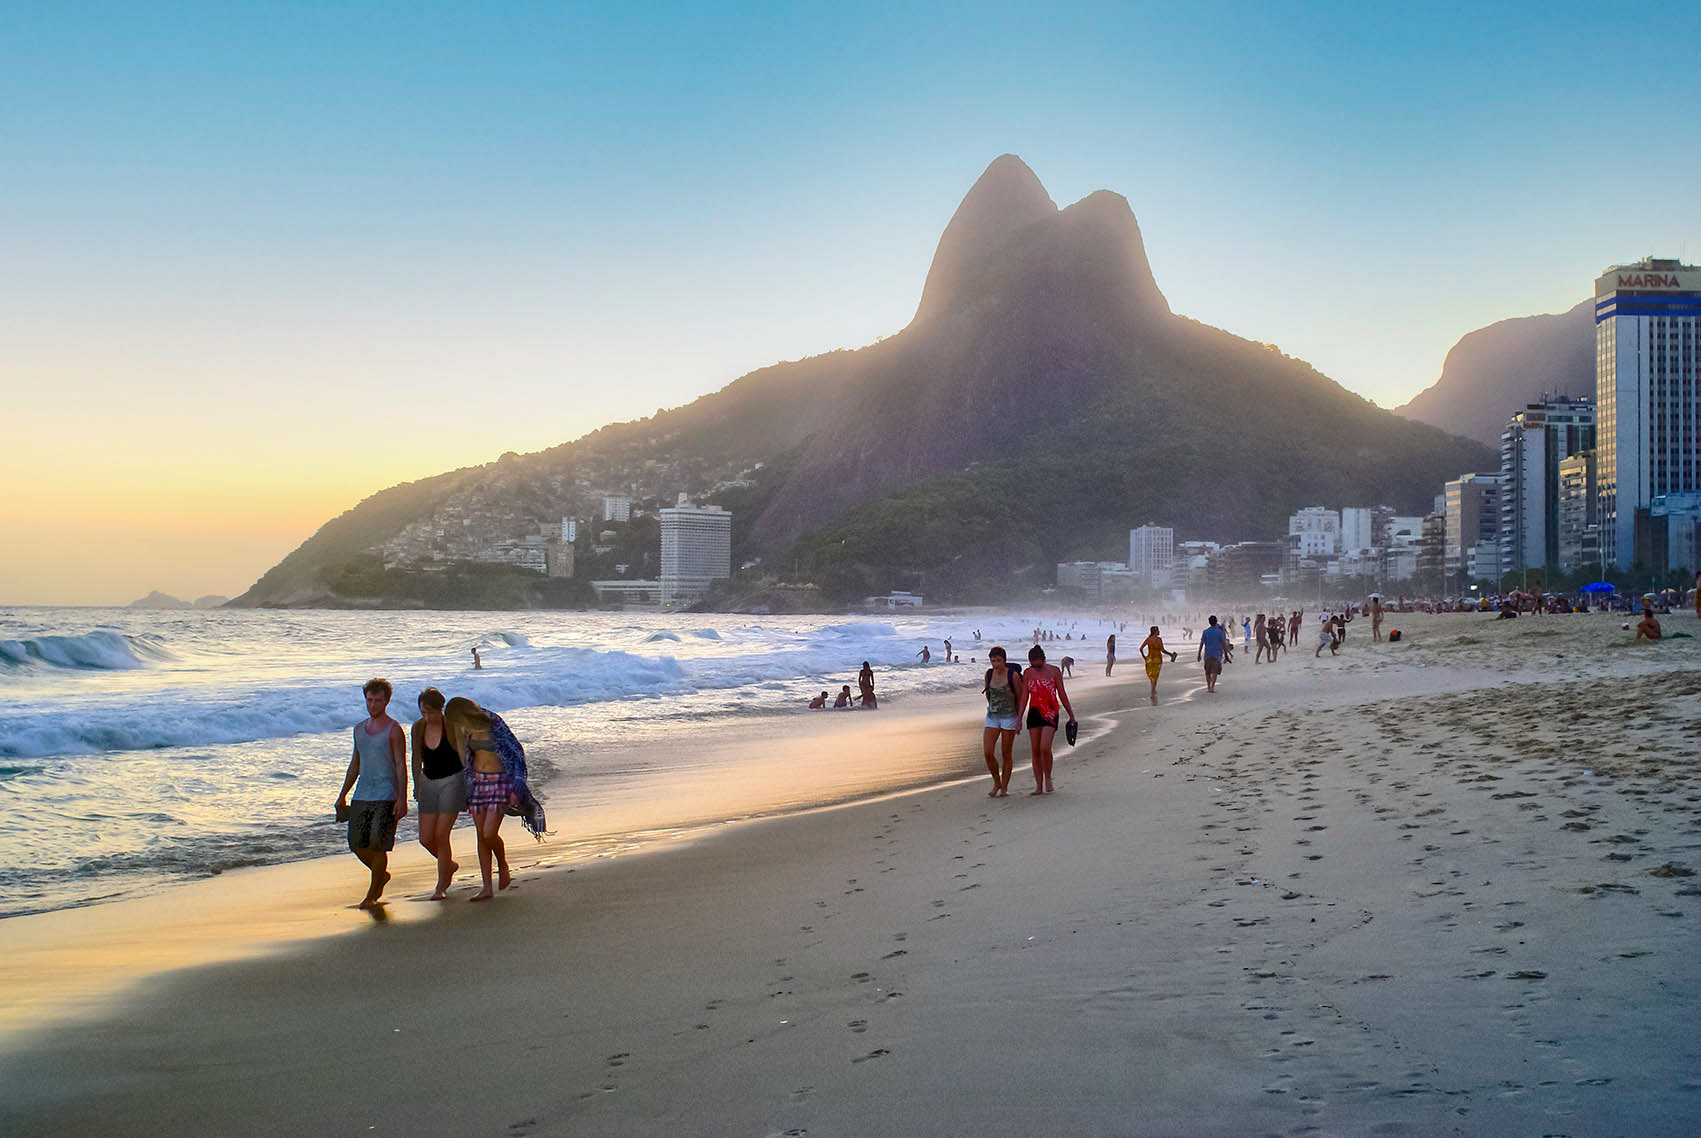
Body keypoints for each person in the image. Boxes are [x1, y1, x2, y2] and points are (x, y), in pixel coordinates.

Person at [443, 697, 546, 902]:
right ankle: (487, 887)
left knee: (490, 833)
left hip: (500, 782)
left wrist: (515, 787)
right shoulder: (462, 727)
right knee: (481, 835)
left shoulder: (493, 722)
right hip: (478, 783)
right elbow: (463, 759)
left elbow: (515, 751)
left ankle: (503, 864)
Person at [334, 678, 409, 910]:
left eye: (378, 701)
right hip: (362, 793)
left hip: (386, 795)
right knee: (356, 843)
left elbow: (400, 765)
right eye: (369, 700)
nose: (373, 705)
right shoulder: (359, 729)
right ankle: (381, 875)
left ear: (387, 701)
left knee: (378, 845)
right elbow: (354, 765)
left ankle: (372, 892)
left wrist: (402, 798)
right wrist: (342, 794)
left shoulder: (394, 730)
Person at [411, 686, 465, 900]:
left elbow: (462, 755)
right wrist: (416, 784)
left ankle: (441, 886)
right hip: (428, 782)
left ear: (440, 709)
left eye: (431, 712)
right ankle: (448, 865)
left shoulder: (451, 726)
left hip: (453, 780)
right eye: (423, 712)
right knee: (426, 839)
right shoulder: (418, 728)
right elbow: (416, 758)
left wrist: (470, 784)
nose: (427, 717)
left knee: (442, 835)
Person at [1019, 645, 1075, 795]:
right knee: (1035, 750)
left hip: (1051, 712)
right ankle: (1039, 785)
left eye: (1039, 664)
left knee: (1044, 747)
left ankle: (1048, 778)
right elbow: (1025, 696)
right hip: (1034, 713)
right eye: (1033, 665)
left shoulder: (1054, 671)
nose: (1036, 667)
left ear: (1043, 660)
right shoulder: (1028, 673)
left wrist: (1071, 715)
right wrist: (1019, 718)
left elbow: (1062, 693)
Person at [981, 647, 1024, 797]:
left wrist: (1019, 719)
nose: (995, 664)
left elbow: (1020, 697)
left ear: (1004, 660)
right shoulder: (989, 674)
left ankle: (1004, 787)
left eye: (998, 660)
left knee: (1006, 753)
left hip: (1009, 717)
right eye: (993, 660)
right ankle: (996, 782)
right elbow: (988, 694)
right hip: (992, 716)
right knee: (988, 752)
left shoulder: (1013, 676)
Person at [1139, 625, 1178, 705]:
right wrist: (1170, 654)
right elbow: (1162, 650)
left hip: (1149, 659)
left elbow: (1141, 648)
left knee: (1151, 675)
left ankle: (1153, 689)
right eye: (1158, 630)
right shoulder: (1158, 639)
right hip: (1157, 660)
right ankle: (1152, 692)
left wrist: (1144, 657)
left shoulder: (1148, 639)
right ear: (1155, 631)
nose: (1159, 631)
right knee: (1155, 676)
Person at [1197, 616, 1227, 693]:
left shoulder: (1205, 632)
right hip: (1217, 654)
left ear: (1209, 622)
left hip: (1207, 654)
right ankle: (1212, 687)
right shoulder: (1219, 632)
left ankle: (1208, 687)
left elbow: (1201, 643)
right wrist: (1226, 655)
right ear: (1216, 622)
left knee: (1208, 671)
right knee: (1214, 671)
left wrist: (1199, 654)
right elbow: (1223, 644)